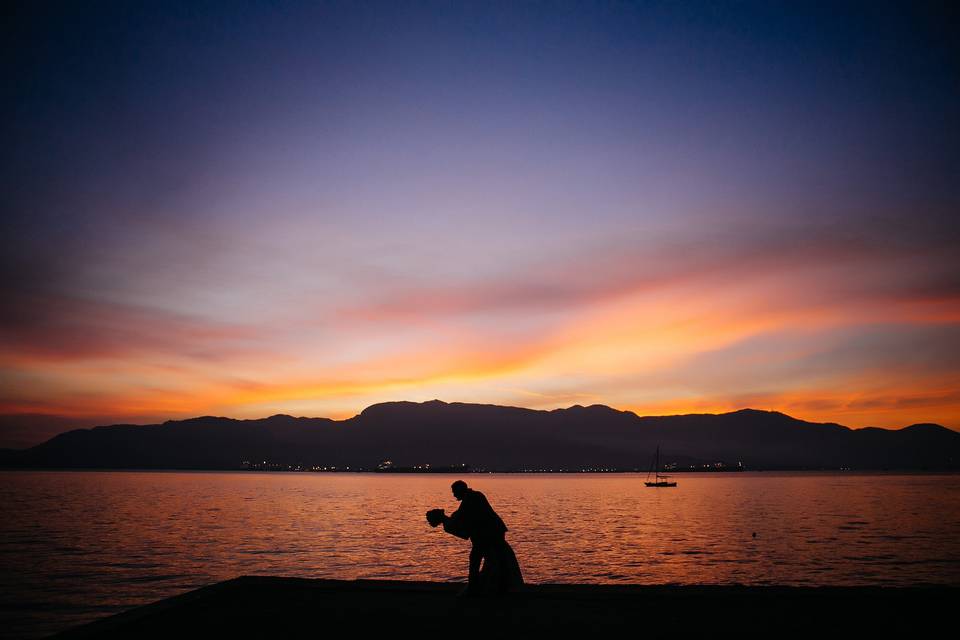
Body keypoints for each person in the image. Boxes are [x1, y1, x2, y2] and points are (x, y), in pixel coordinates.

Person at [426, 480, 523, 595]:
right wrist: (446, 519)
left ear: (460, 490)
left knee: (481, 559)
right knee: (493, 559)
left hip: (488, 534)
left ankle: (476, 587)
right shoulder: (472, 497)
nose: (454, 495)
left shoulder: (472, 498)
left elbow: (461, 518)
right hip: (488, 533)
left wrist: (444, 519)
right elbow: (461, 517)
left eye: (454, 492)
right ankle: (488, 585)